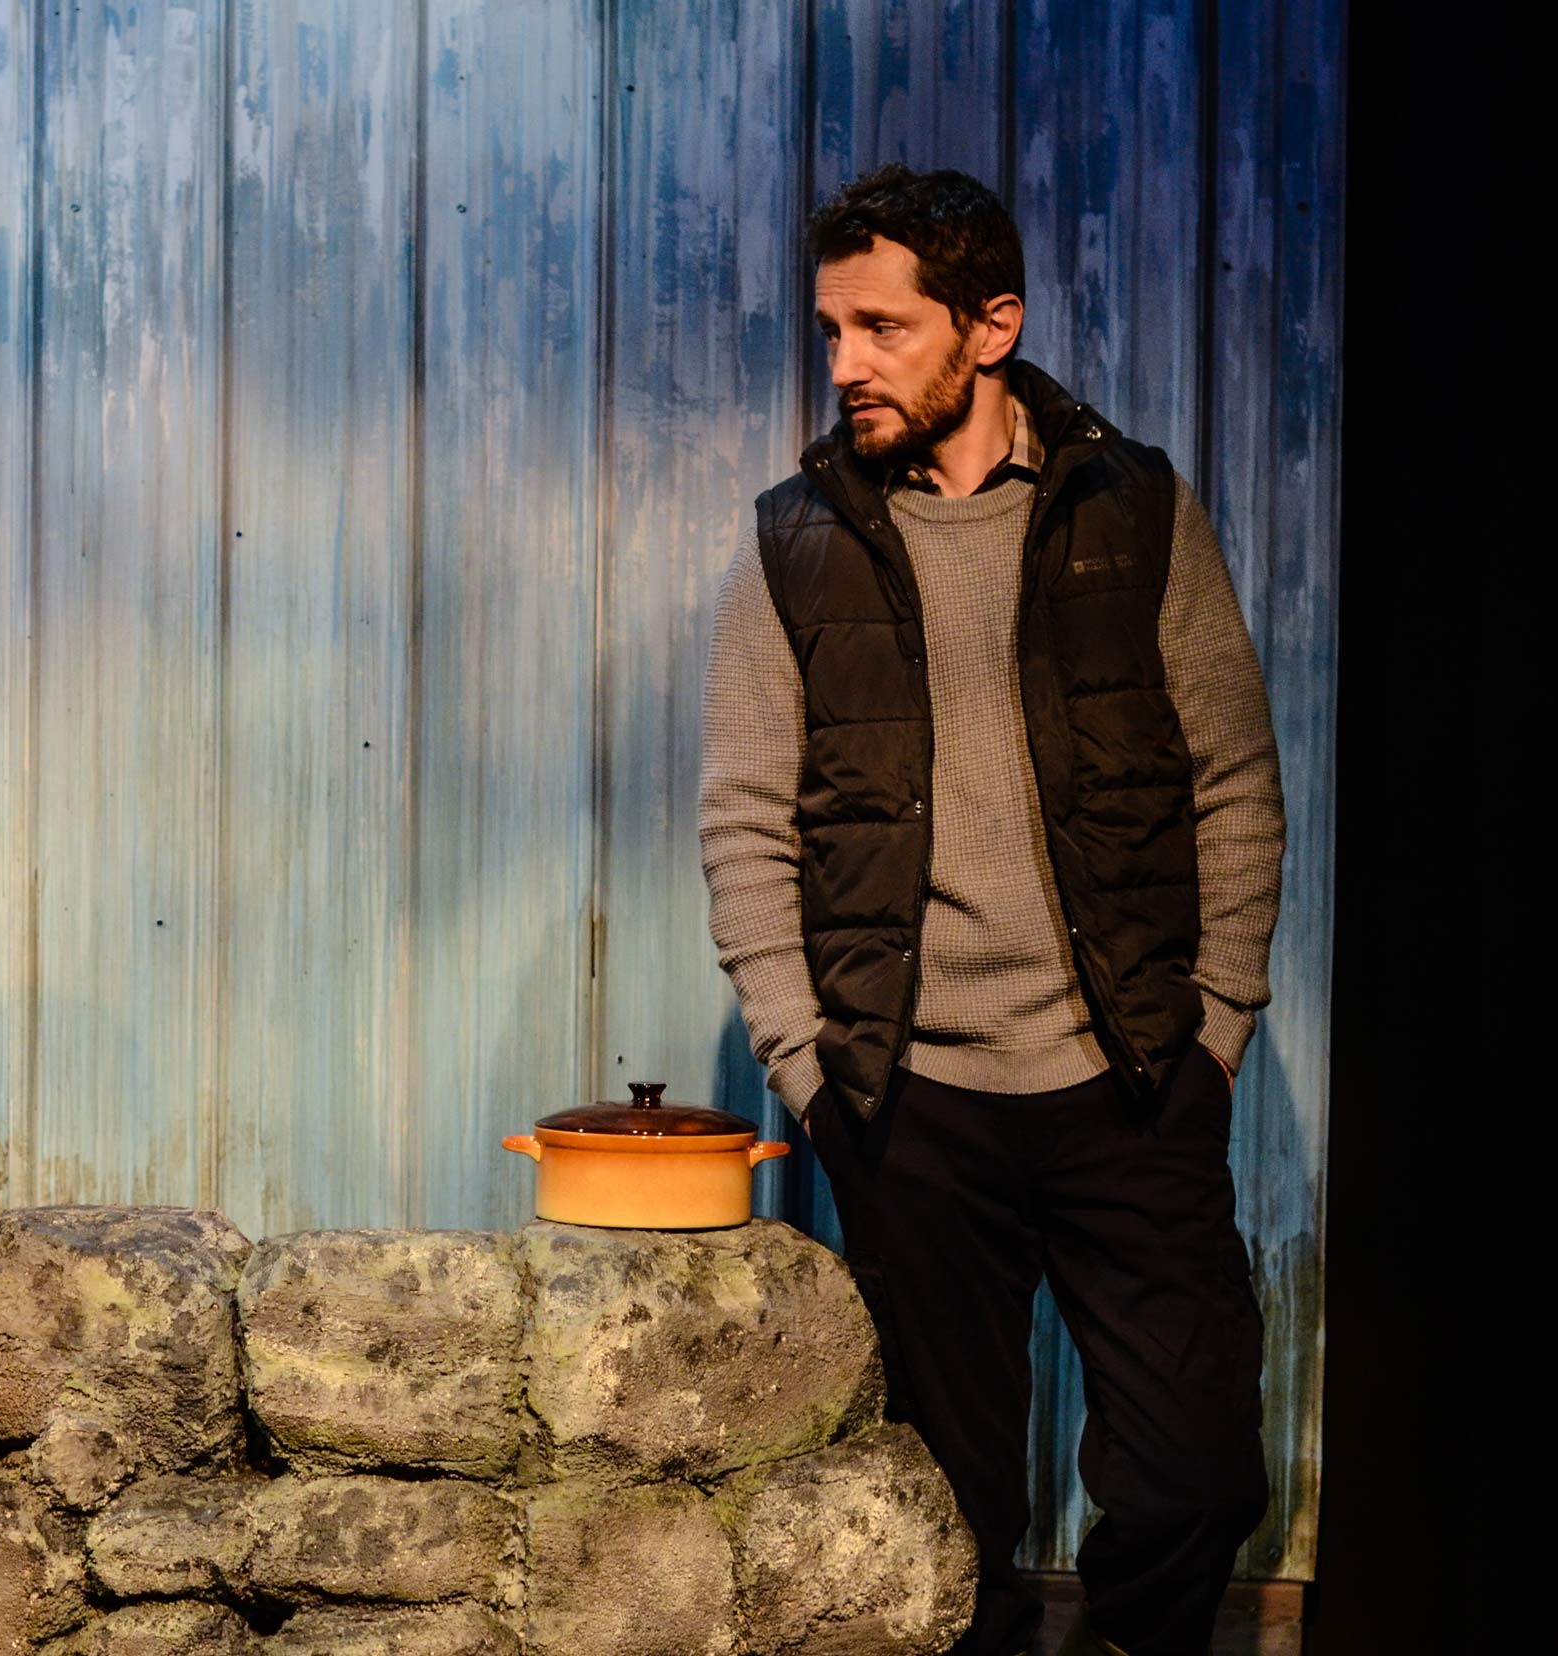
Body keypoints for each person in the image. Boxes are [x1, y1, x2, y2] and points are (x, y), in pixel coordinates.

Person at [699, 166, 1284, 1656]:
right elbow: (746, 819)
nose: (846, 363)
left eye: (883, 328)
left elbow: (1232, 779)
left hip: (1128, 1077)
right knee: (946, 1523)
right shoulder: (796, 537)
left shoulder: (1131, 509)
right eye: (832, 330)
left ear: (992, 325)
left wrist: (1216, 1026)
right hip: (911, 1103)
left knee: (1194, 1476)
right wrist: (809, 1069)